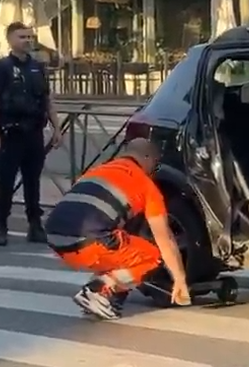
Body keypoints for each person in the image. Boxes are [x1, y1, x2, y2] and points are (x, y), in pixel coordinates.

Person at [44, 137, 191, 319]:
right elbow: (165, 238)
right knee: (151, 255)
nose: (155, 170)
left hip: (55, 239)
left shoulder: (96, 171)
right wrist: (179, 279)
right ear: (147, 158)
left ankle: (97, 299)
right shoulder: (145, 185)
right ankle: (98, 290)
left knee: (118, 247)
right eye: (156, 164)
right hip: (89, 241)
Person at [0, 21, 62, 246]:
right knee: (6, 182)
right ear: (10, 40)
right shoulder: (1, 68)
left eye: (29, 37)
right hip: (10, 133)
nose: (27, 41)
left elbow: (47, 100)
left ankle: (35, 225)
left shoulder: (38, 67)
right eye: (22, 37)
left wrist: (56, 128)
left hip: (34, 133)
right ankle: (1, 227)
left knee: (33, 181)